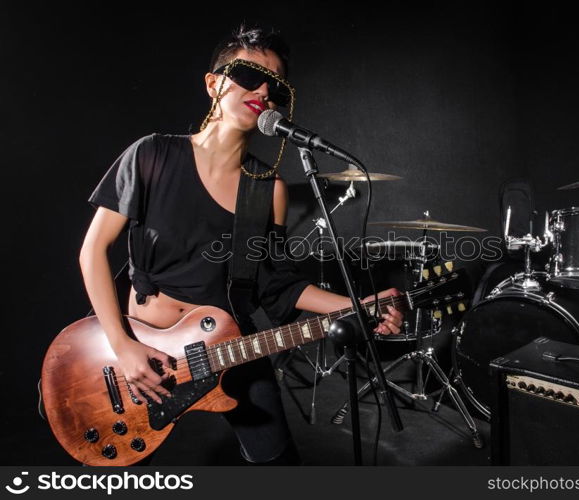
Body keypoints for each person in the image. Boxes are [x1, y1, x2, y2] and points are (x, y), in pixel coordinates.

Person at [79, 23, 403, 465]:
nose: (264, 90)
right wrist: (122, 344)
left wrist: (358, 305)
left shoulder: (267, 190)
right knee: (115, 470)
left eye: (277, 87)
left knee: (278, 463)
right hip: (141, 348)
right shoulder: (151, 155)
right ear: (214, 83)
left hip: (229, 347)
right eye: (250, 75)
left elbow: (279, 287)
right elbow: (93, 251)